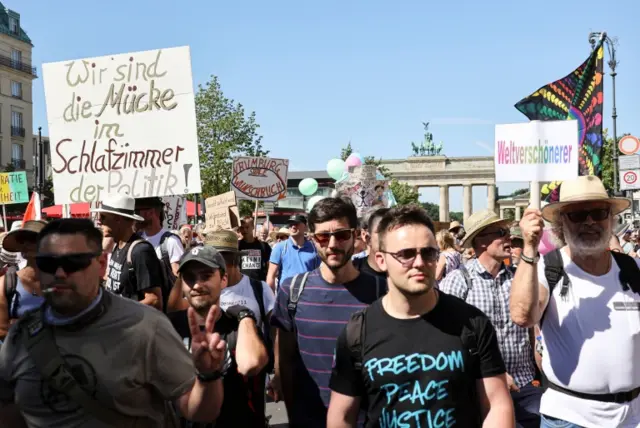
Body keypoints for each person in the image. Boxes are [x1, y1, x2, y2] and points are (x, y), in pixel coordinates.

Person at [0, 218, 226, 426]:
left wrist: (207, 376)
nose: (59, 272)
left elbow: (200, 412)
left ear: (101, 264)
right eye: (48, 263)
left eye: (73, 261)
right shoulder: (20, 336)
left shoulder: (146, 326)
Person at [327, 205, 514, 428]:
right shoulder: (358, 331)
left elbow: (496, 405)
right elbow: (341, 416)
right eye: (405, 254)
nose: (419, 263)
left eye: (428, 252)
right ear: (381, 260)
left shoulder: (472, 323)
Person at [510, 175, 640, 427]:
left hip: (633, 416)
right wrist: (529, 248)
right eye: (578, 215)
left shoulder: (632, 269)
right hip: (570, 418)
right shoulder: (548, 268)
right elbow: (522, 316)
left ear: (611, 219)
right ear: (560, 225)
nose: (590, 221)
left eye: (599, 212)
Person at [270, 198, 384, 428]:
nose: (332, 244)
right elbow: (285, 360)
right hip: (309, 418)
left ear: (357, 235)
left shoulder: (382, 292)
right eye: (323, 236)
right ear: (312, 238)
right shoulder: (292, 290)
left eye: (341, 235)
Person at [440, 209, 541, 428]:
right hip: (479, 389)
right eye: (501, 232)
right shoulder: (459, 281)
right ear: (481, 241)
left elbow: (534, 329)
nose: (509, 237)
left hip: (525, 386)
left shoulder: (518, 278)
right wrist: (493, 374)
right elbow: (447, 340)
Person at [168, 245, 270, 428]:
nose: (197, 285)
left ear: (223, 280)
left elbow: (251, 364)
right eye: (189, 278)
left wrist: (245, 316)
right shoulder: (168, 328)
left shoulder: (238, 326)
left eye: (206, 276)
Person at [92, 195, 165, 310]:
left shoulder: (140, 251)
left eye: (103, 217)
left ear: (118, 219)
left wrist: (120, 311)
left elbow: (155, 300)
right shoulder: (117, 246)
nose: (99, 221)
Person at [0, 221, 47, 342]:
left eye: (33, 239)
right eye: (22, 240)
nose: (26, 244)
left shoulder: (63, 280)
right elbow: (1, 330)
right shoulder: (6, 283)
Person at [135, 197, 185, 279]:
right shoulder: (137, 238)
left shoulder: (171, 241)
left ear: (151, 212)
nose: (135, 217)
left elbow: (179, 277)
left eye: (137, 212)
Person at [266, 214, 320, 292]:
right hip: (285, 296)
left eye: (296, 224)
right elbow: (271, 275)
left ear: (305, 227)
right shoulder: (280, 247)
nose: (293, 226)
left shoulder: (314, 248)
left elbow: (320, 274)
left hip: (308, 296)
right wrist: (271, 299)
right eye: (291, 224)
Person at [352, 207, 388, 284]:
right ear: (367, 237)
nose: (389, 237)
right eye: (382, 231)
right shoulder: (352, 270)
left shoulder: (406, 270)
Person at [238, 216, 272, 281]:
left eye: (247, 227)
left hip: (259, 284)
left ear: (253, 227)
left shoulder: (264, 246)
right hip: (242, 285)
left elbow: (269, 267)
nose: (244, 230)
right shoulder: (237, 246)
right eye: (242, 227)